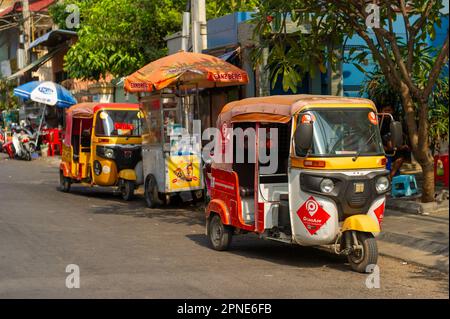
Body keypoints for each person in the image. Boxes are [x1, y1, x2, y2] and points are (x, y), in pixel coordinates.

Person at [379, 105, 411, 179]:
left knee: (400, 158)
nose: (387, 112)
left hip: (391, 149)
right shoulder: (378, 122)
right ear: (381, 111)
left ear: (392, 111)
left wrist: (401, 146)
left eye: (389, 110)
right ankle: (390, 176)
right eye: (385, 110)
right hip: (381, 149)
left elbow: (393, 141)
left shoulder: (394, 122)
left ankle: (391, 175)